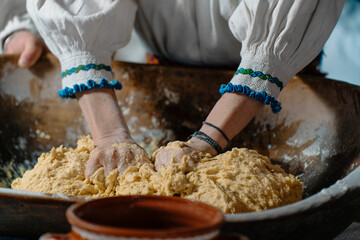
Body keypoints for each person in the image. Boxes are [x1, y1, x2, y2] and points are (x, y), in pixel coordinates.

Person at [0, 0, 345, 178]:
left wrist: (205, 142)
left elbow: (282, 27)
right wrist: (109, 137)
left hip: (280, 89)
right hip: (162, 85)